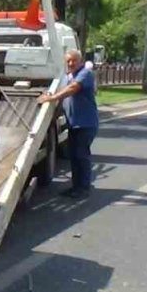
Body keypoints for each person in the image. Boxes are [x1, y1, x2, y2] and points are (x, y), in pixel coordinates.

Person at [38, 49, 98, 199]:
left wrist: (52, 98)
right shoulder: (68, 76)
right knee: (74, 156)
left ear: (81, 61)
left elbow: (72, 89)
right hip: (74, 124)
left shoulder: (85, 74)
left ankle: (83, 188)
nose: (71, 63)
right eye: (68, 61)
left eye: (74, 60)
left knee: (81, 155)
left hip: (86, 124)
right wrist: (52, 101)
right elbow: (62, 96)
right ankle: (76, 187)